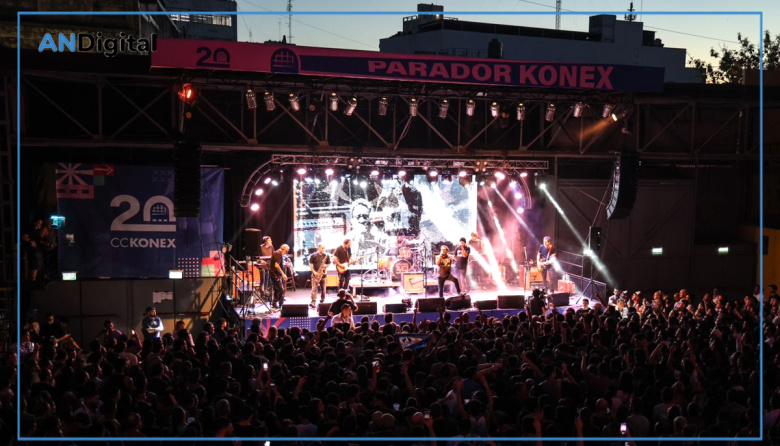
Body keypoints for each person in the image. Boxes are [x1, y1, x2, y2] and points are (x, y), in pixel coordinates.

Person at [309, 243, 331, 308]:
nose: (323, 249)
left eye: (324, 248)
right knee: (314, 289)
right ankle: (313, 301)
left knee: (323, 289)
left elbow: (329, 264)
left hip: (323, 275)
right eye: (322, 248)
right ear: (318, 248)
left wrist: (325, 265)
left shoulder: (326, 256)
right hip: (315, 274)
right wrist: (314, 272)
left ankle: (322, 299)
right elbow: (310, 264)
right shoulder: (313, 255)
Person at [269, 244, 290, 310]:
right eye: (286, 251)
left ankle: (274, 304)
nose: (286, 253)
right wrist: (283, 274)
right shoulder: (278, 254)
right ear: (283, 249)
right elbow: (277, 265)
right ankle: (281, 305)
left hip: (275, 274)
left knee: (277, 289)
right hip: (275, 274)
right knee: (281, 290)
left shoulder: (278, 253)